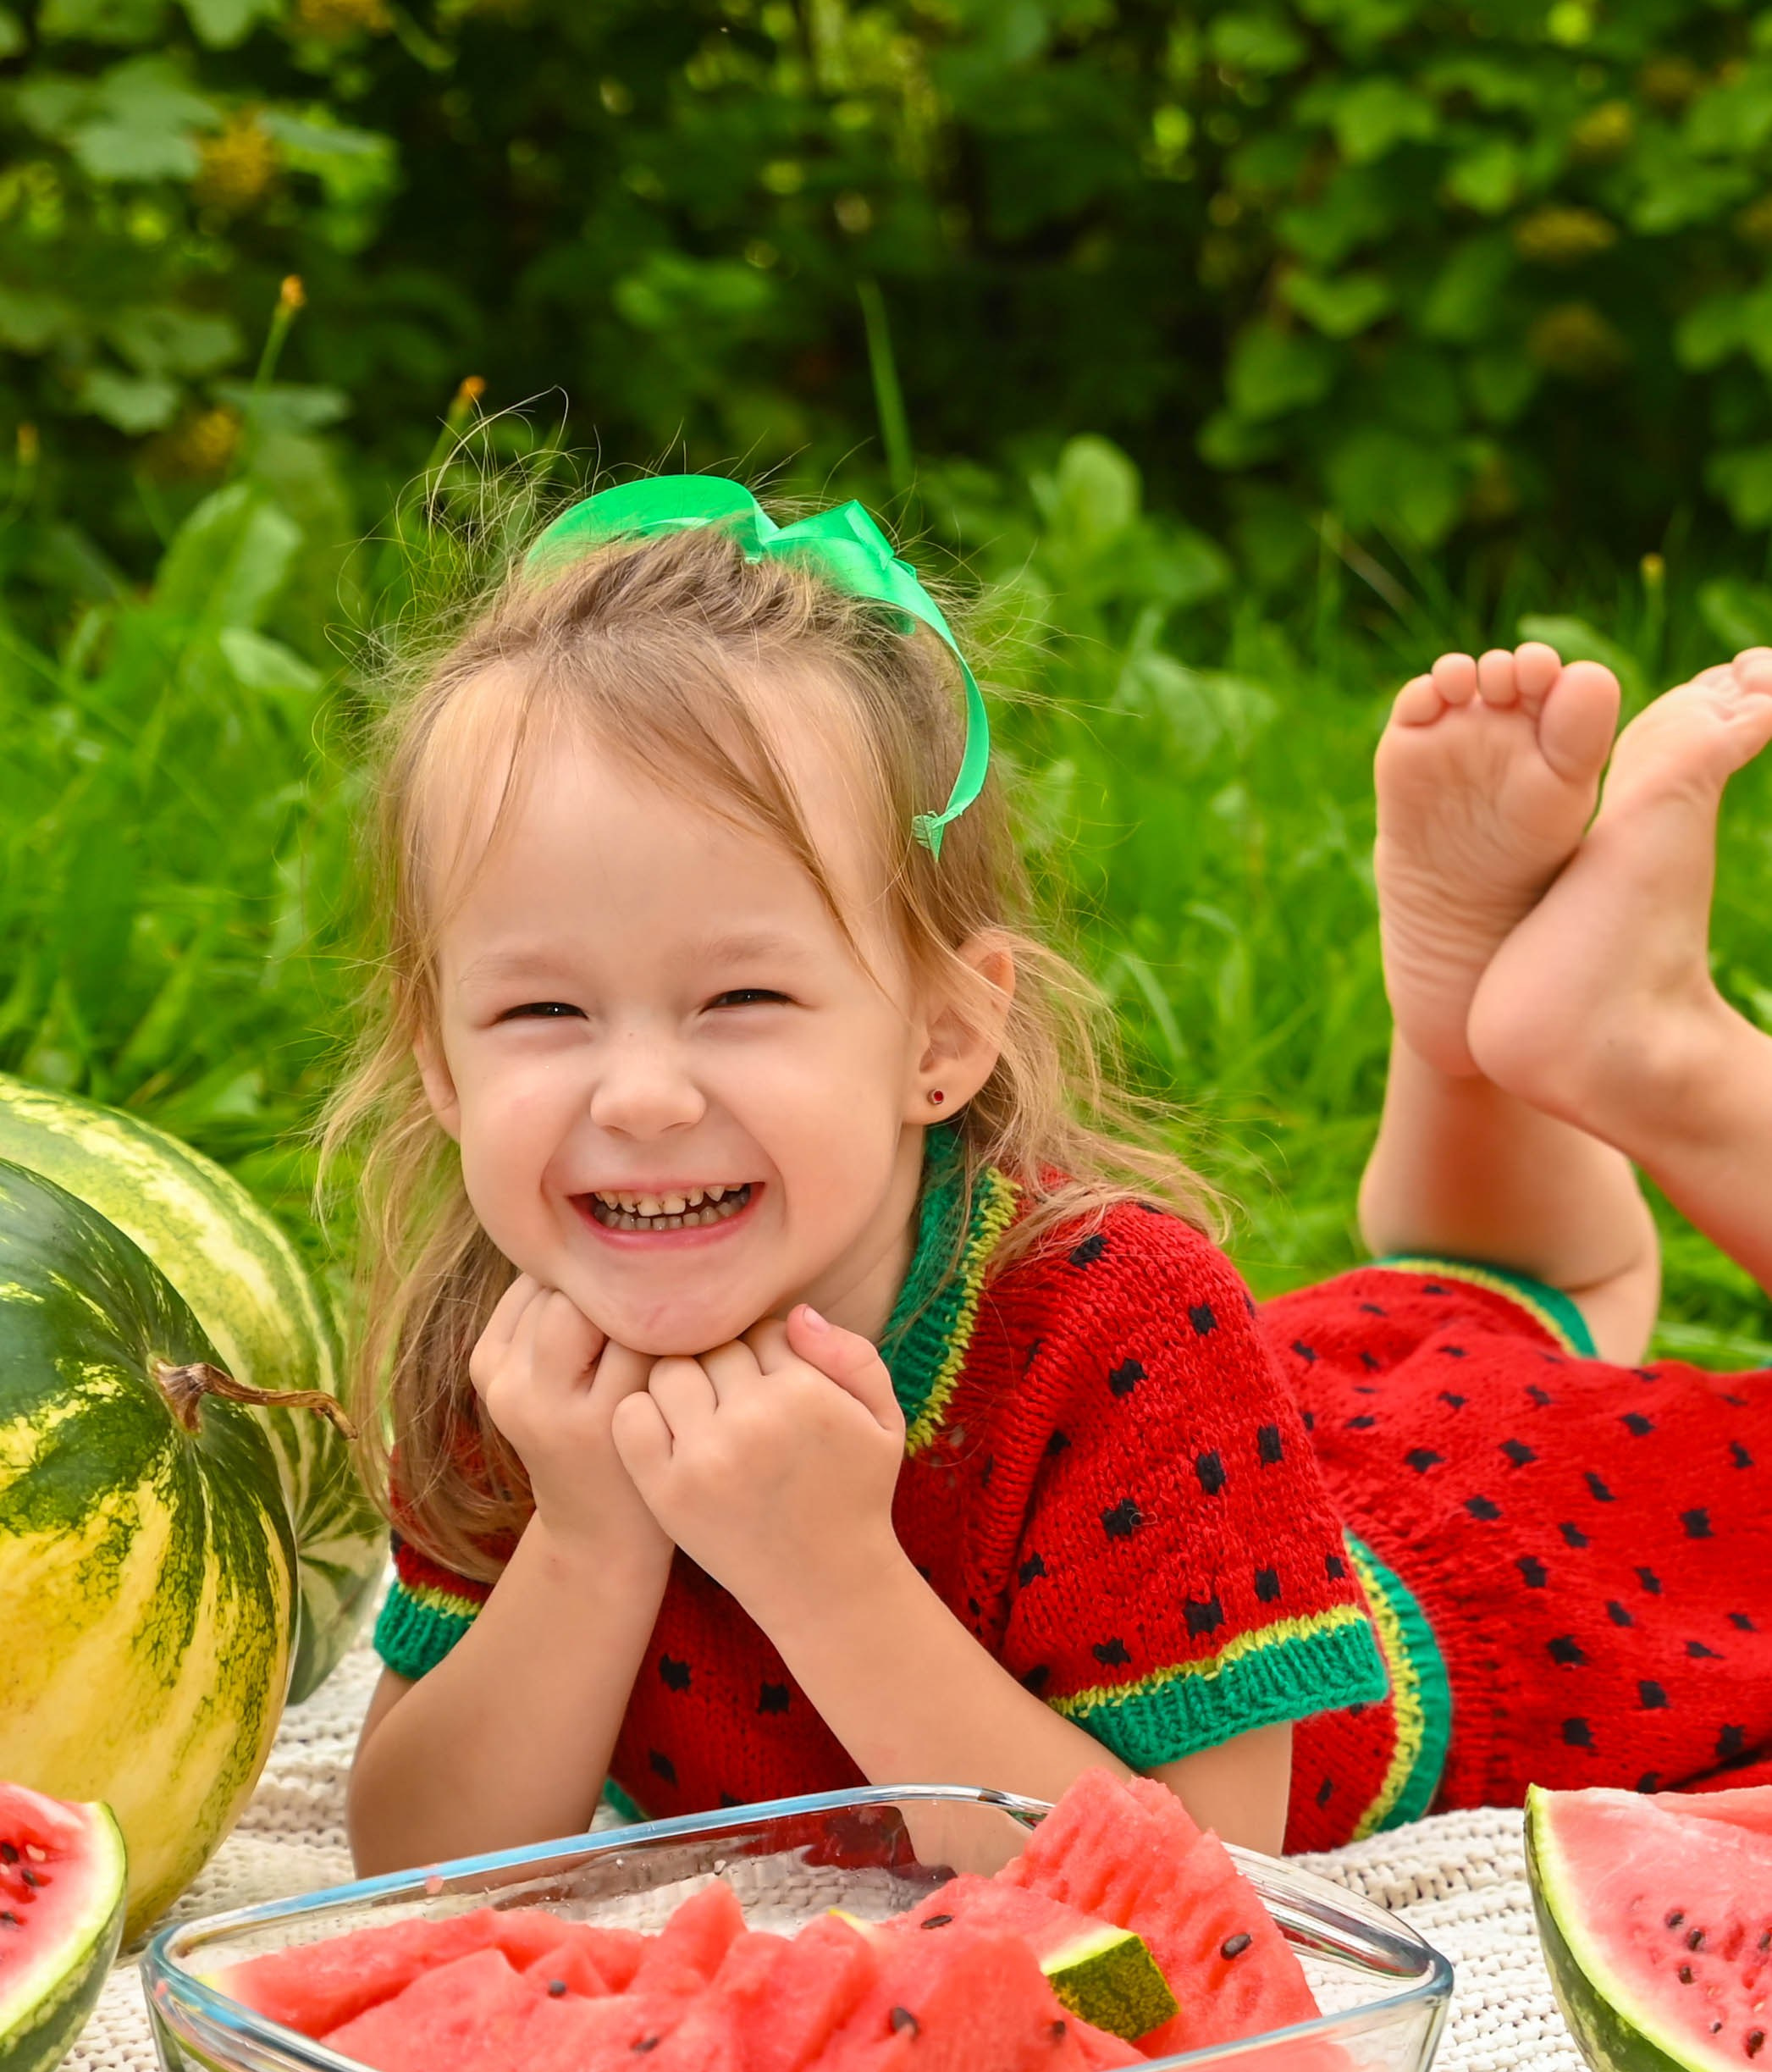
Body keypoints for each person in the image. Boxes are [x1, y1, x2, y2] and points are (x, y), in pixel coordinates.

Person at [341, 478, 1387, 1876]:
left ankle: (1525, 1044)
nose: (640, 1095)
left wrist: (822, 1573)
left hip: (1440, 1604)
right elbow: (414, 1866)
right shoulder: (505, 1350)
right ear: (442, 1063)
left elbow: (1194, 1893)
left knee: (1530, 1370)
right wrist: (586, 1540)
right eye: (542, 1015)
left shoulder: (1114, 1324)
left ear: (942, 1037)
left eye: (744, 998)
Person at [1255, 640, 1772, 1840]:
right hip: (1307, 1518)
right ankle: (1607, 1058)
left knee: (1533, 1293)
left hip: (1311, 1506)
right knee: (1536, 1290)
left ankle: (1539, 1046)